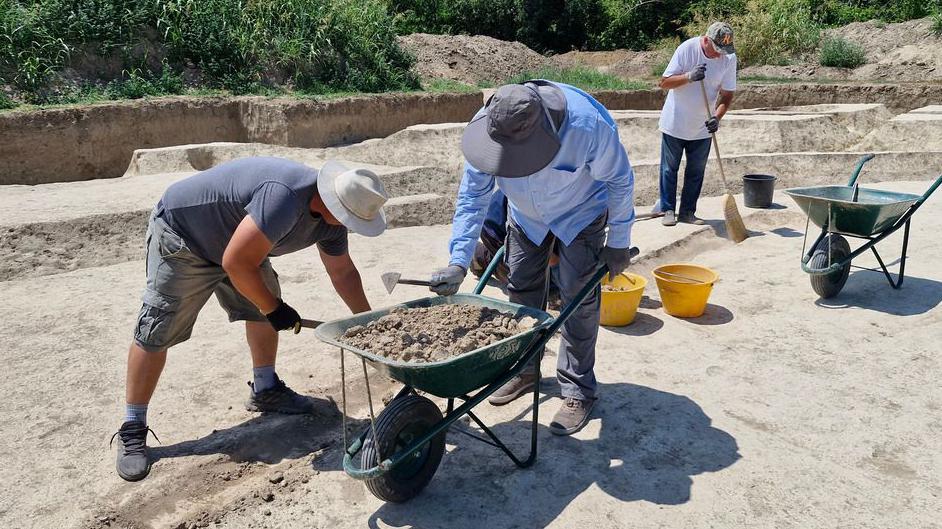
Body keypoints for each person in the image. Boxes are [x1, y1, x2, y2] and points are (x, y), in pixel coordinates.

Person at [111, 157, 388, 481]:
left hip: (239, 246)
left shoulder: (331, 223)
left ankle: (265, 389)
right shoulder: (283, 198)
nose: (347, 225)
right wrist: (274, 308)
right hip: (185, 237)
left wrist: (368, 325)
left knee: (263, 304)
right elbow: (237, 263)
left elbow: (343, 273)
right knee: (157, 329)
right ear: (331, 201)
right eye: (348, 218)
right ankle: (133, 426)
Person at [430, 80, 635, 436]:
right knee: (521, 290)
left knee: (579, 299)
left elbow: (620, 180)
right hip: (525, 215)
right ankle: (524, 371)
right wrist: (458, 260)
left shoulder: (587, 127)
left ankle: (578, 389)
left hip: (581, 211)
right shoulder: (492, 122)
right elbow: (473, 196)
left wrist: (619, 241)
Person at [654, 21, 737, 226]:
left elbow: (727, 95)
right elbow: (664, 82)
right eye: (717, 49)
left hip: (702, 127)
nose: (720, 54)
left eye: (724, 50)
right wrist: (689, 76)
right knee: (669, 169)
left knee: (696, 172)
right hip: (675, 122)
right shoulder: (687, 49)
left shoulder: (729, 58)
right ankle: (668, 210)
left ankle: (687, 212)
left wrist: (717, 117)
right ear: (706, 40)